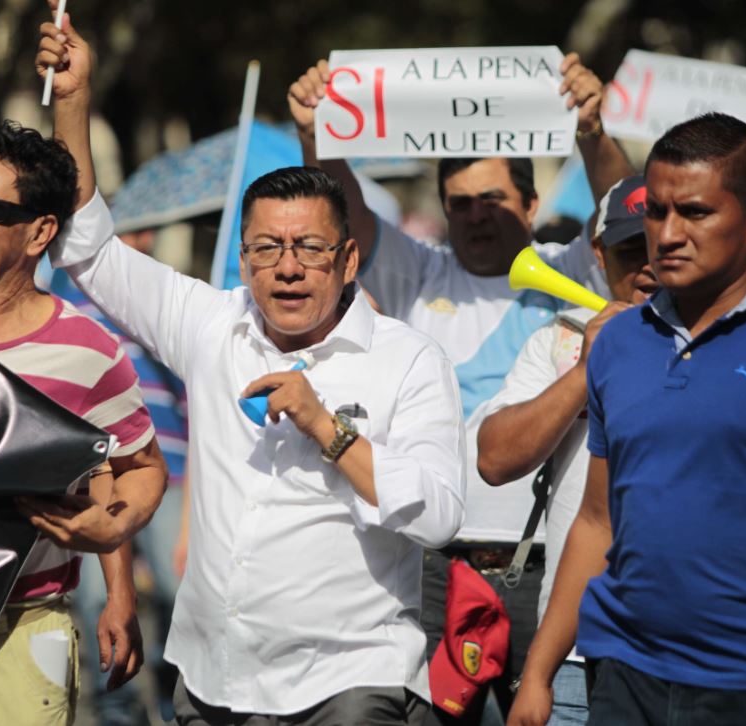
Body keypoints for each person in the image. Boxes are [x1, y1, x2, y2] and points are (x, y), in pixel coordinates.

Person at [37, 11, 466, 724]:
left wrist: (325, 427)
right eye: (266, 249)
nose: (287, 268)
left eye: (309, 249)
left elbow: (440, 515)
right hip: (215, 679)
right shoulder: (213, 324)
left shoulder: (407, 358)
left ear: (349, 258)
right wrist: (75, 100)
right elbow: (89, 250)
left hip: (348, 684)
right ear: (243, 260)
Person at [288, 54, 634, 723]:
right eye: (459, 204)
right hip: (432, 568)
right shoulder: (415, 271)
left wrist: (591, 131)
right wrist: (313, 134)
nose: (476, 216)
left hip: (543, 570)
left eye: (494, 199)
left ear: (532, 205)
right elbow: (347, 208)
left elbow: (622, 210)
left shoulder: (578, 271)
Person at [509, 113, 746, 726]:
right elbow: (595, 520)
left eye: (694, 212)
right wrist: (538, 673)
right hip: (626, 680)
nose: (666, 234)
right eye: (656, 213)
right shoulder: (615, 345)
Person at [0, 120, 169, 726]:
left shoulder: (89, 352)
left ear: (41, 230)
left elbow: (140, 468)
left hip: (21, 627)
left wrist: (112, 533)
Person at [475, 175, 655, 725]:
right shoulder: (560, 338)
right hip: (577, 656)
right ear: (599, 254)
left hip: (693, 656)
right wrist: (584, 371)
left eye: (661, 242)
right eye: (631, 249)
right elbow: (495, 458)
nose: (650, 262)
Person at [52, 228, 189, 725]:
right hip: (92, 476)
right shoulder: (63, 299)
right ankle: (117, 711)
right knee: (93, 599)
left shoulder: (162, 302)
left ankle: (177, 702)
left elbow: (190, 394)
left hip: (168, 469)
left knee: (179, 589)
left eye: (151, 230)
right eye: (129, 230)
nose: (145, 238)